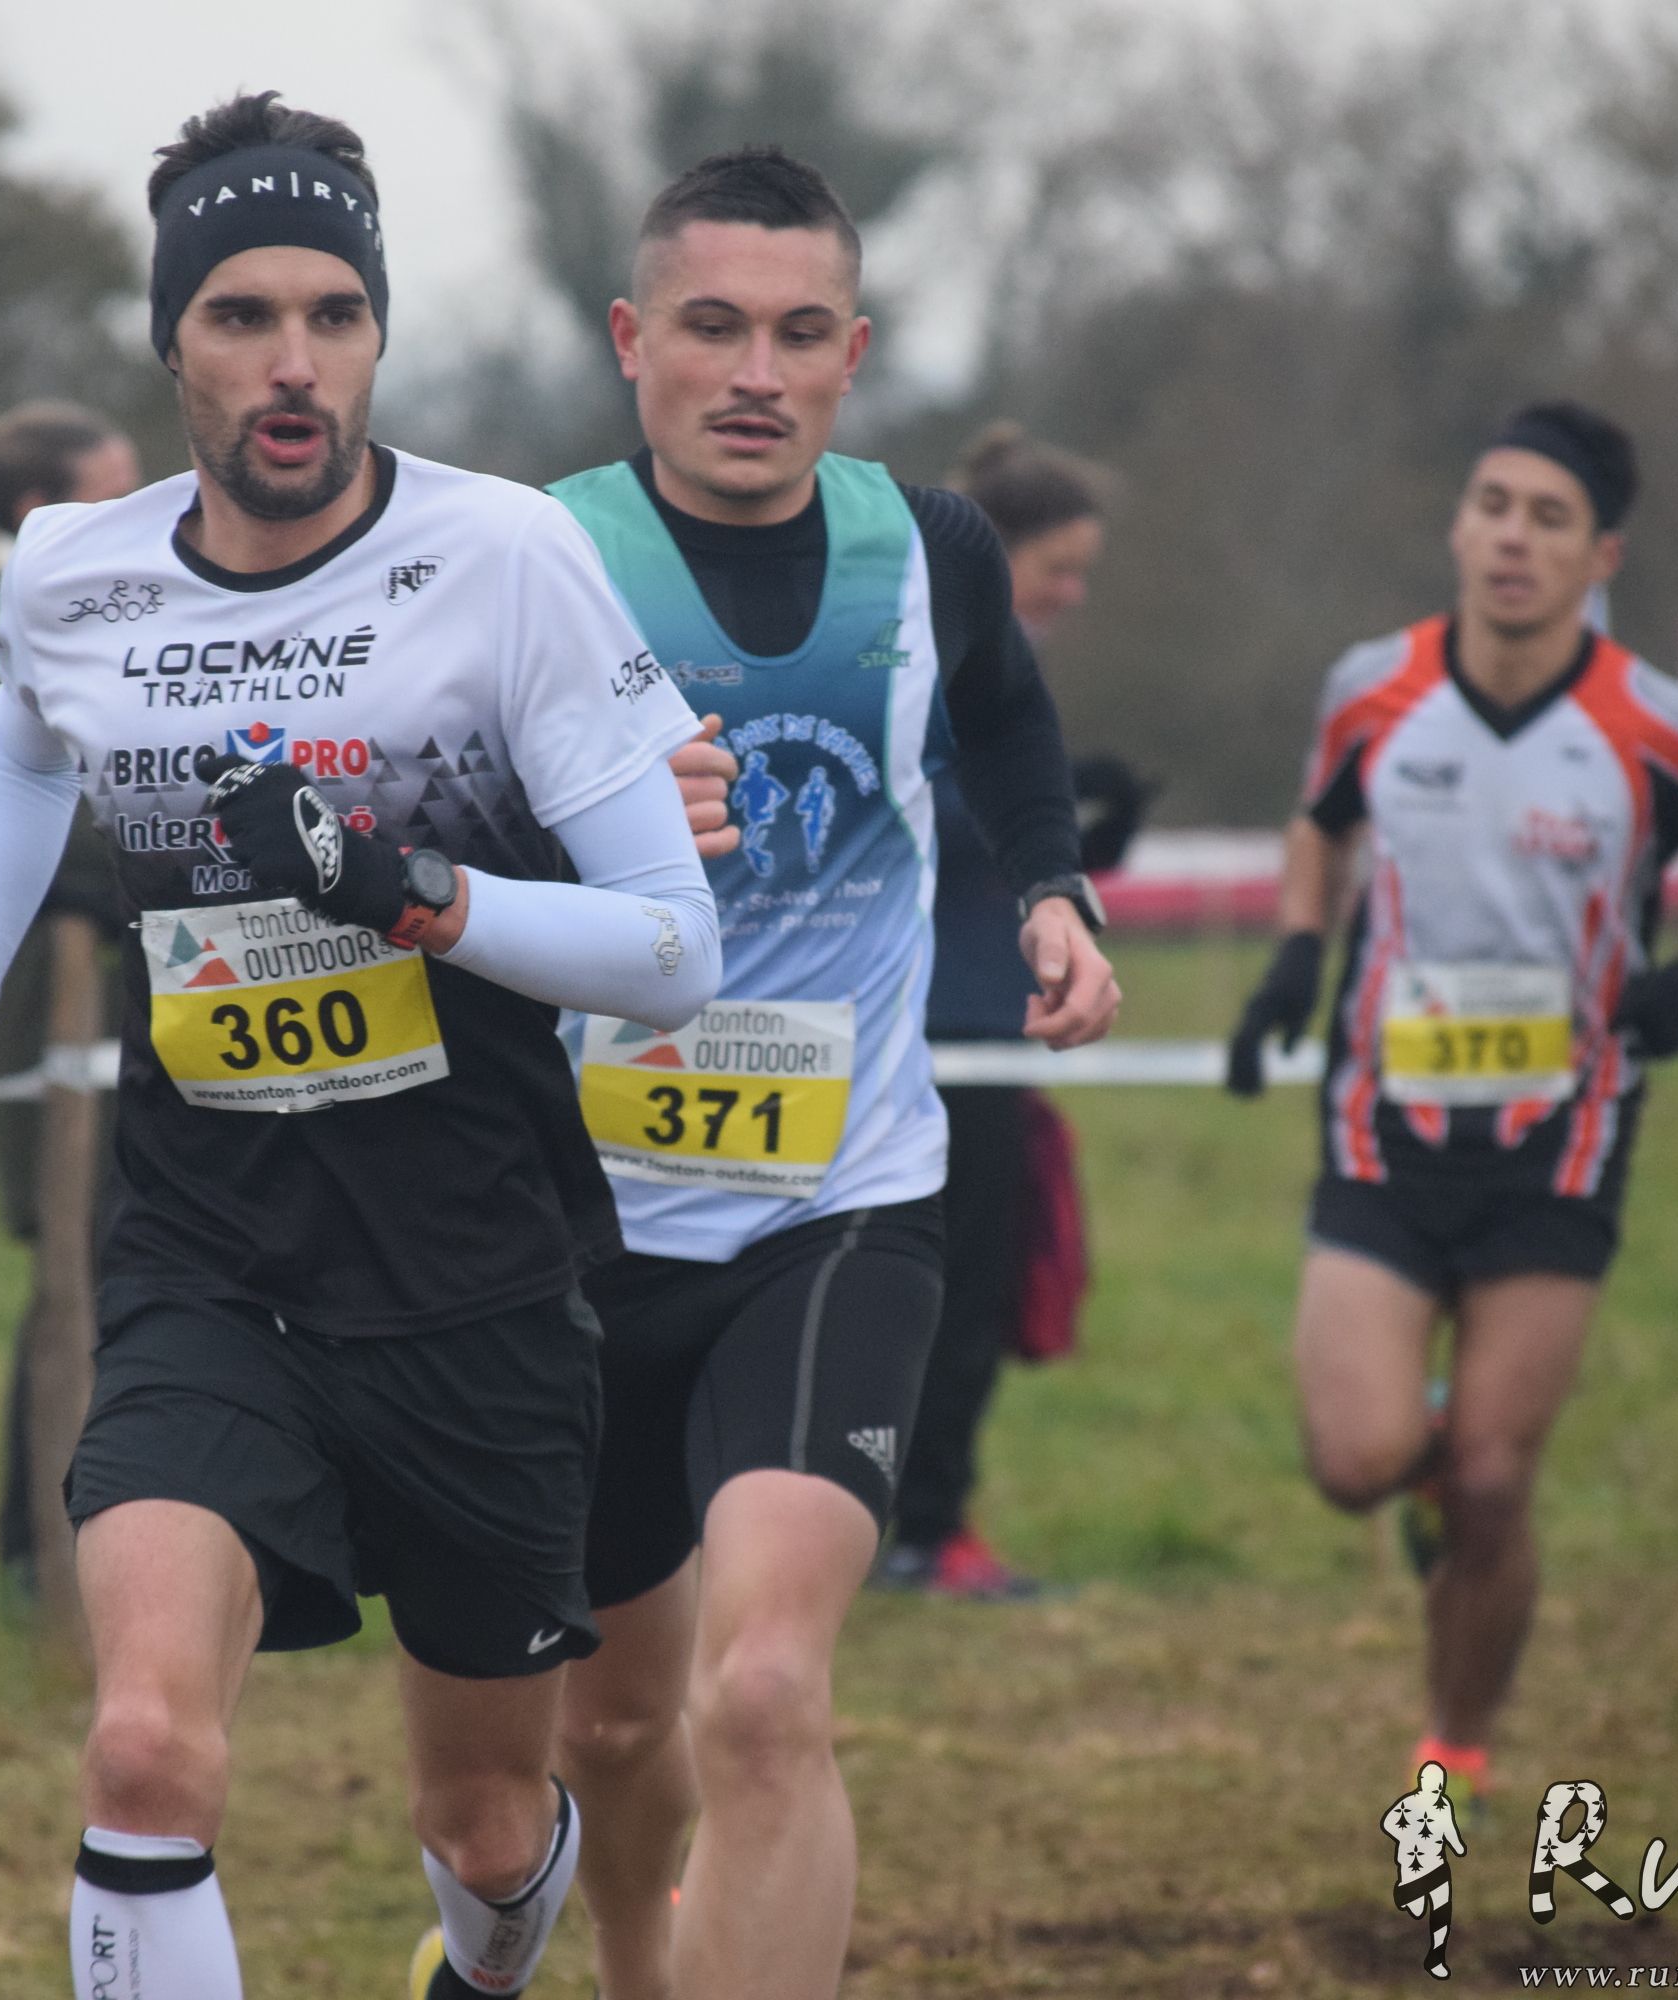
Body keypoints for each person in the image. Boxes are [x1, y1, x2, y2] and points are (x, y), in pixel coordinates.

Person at [0, 92, 720, 2000]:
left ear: (377, 335)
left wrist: (405, 889)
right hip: (209, 1259)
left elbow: (674, 950)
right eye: (241, 316)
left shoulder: (502, 559)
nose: (292, 363)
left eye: (334, 315)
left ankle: (484, 1965)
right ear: (170, 341)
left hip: (474, 1269)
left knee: (484, 1823)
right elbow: (16, 760)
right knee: (143, 1752)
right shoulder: (74, 573)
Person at [546, 150, 1120, 2000]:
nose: (754, 374)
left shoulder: (933, 549)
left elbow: (1009, 725)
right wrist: (591, 819)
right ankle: (632, 1957)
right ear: (632, 339)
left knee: (767, 1694)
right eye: (710, 328)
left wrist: (1051, 889)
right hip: (579, 1228)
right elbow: (433, 823)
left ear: (851, 354)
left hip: (839, 1207)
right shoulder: (533, 556)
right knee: (609, 1731)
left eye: (800, 335)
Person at [1223, 402, 1678, 1810]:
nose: (1512, 538)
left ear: (1599, 556)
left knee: (1492, 1476)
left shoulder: (1653, 724)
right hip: (1384, 1124)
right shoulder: (1374, 688)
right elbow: (1318, 822)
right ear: (1457, 524)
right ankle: (1421, 1457)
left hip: (1565, 1132)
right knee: (1358, 1461)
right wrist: (1297, 951)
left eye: (1549, 519)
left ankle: (1454, 1741)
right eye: (1493, 504)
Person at [880, 420, 1121, 1601]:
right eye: (1057, 568)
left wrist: (1068, 843)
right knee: (949, 1291)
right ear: (999, 551)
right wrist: (1050, 820)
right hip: (935, 1022)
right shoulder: (926, 646)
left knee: (955, 1284)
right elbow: (910, 810)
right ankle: (924, 1529)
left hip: (979, 1010)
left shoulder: (984, 648)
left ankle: (911, 1519)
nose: (1072, 593)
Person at [0, 401, 144, 1588]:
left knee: (102, 1263)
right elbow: (16, 816)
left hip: (104, 1010)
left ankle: (58, 1524)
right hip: (42, 1008)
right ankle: (39, 1537)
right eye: (114, 494)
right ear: (41, 512)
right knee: (72, 1266)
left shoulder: (110, 622)